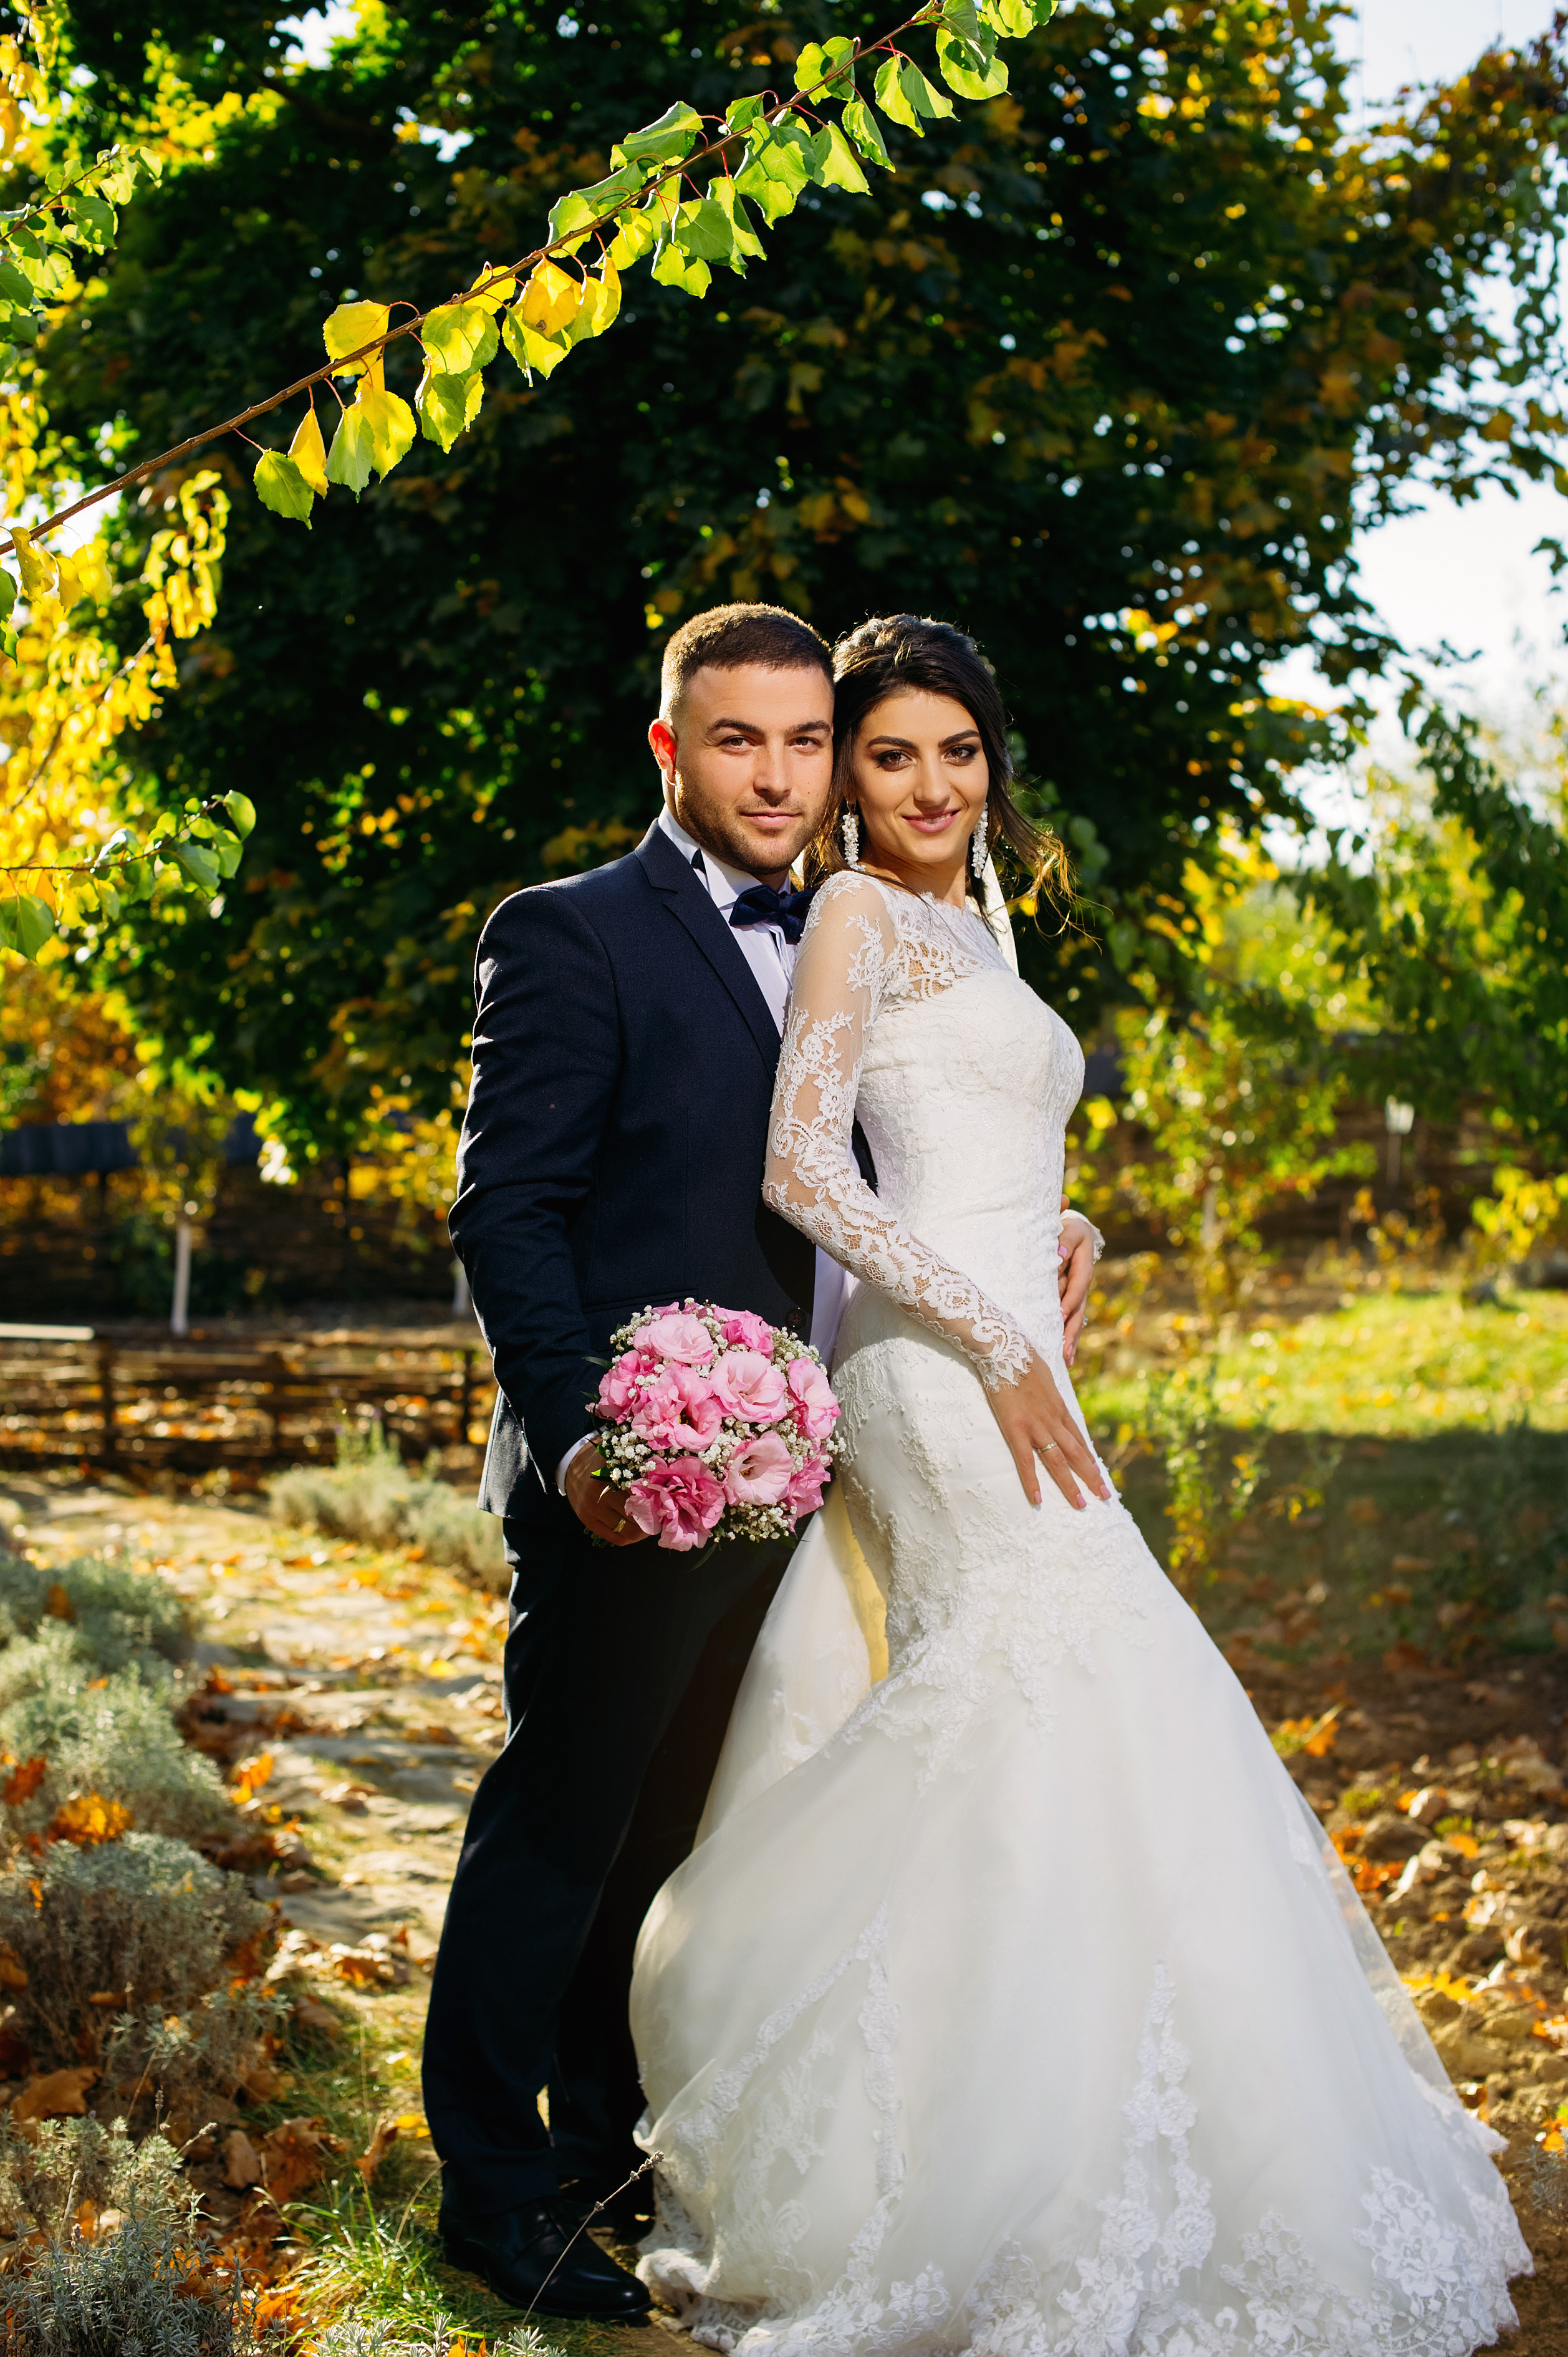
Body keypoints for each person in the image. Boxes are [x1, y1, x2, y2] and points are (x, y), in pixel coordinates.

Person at [630, 615, 1530, 2356]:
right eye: (885, 756)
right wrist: (981, 1315)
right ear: (848, 778)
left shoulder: (983, 918)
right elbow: (805, 1163)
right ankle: (970, 2141)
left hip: (1011, 1338)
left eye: (952, 752)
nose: (924, 785)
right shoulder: (854, 913)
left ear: (991, 760)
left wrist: (1067, 1226)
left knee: (1082, 1703)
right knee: (1053, 1675)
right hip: (932, 1365)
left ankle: (1114, 2107)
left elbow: (970, 1143)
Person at [425, 597, 1107, 2320]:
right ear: (671, 746)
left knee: (698, 1828)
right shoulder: (571, 930)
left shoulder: (856, 923)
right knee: (565, 1821)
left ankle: (611, 2154)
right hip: (641, 1457)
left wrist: (1054, 1211)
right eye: (740, 738)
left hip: (829, 1455)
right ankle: (491, 2190)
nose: (782, 772)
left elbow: (903, 1150)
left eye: (809, 739)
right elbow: (510, 1209)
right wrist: (588, 1428)